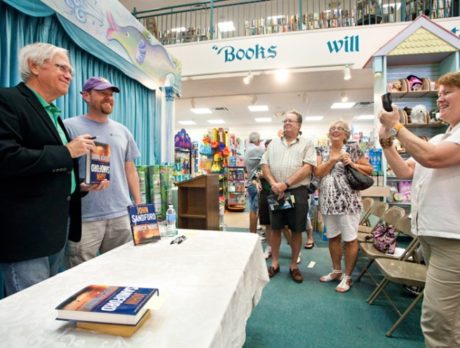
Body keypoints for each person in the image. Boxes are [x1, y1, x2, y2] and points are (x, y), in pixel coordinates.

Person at [0, 43, 105, 296]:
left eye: (70, 70)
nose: (69, 74)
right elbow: (6, 157)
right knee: (28, 315)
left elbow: (50, 170)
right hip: (25, 235)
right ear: (34, 66)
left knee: (45, 307)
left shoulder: (52, 113)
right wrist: (67, 151)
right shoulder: (8, 100)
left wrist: (79, 187)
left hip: (55, 231)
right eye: (61, 67)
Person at [378, 71, 460, 347]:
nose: (440, 98)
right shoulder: (440, 138)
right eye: (439, 93)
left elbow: (432, 158)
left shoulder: (445, 143)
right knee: (446, 319)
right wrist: (386, 140)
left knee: (438, 323)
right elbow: (404, 170)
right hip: (432, 236)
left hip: (454, 240)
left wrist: (399, 127)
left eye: (447, 91)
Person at [64, 76, 142, 267]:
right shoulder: (68, 127)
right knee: (81, 277)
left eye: (111, 94)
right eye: (102, 93)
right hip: (84, 216)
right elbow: (61, 169)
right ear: (86, 96)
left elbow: (130, 169)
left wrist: (138, 205)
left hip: (121, 214)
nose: (108, 98)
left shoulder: (123, 131)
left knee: (123, 271)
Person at [316, 120, 373, 293]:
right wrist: (332, 160)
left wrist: (352, 163)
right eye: (332, 128)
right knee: (333, 237)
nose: (335, 131)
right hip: (327, 201)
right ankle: (336, 271)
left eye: (339, 128)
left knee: (349, 239)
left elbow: (369, 170)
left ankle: (347, 277)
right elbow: (318, 173)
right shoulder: (322, 150)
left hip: (348, 202)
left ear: (346, 133)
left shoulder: (354, 148)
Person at [260, 110, 316, 283]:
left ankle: (294, 266)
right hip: (276, 192)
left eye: (291, 121)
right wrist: (275, 184)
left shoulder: (307, 144)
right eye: (285, 121)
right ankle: (275, 263)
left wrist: (286, 184)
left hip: (297, 192)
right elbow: (264, 164)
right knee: (275, 228)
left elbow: (307, 168)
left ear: (299, 125)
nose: (286, 124)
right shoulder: (274, 144)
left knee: (297, 229)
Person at [244, 131, 265, 233]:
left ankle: (251, 232)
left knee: (252, 208)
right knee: (255, 209)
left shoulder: (247, 149)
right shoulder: (258, 150)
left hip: (250, 182)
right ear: (257, 140)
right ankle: (252, 234)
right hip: (256, 182)